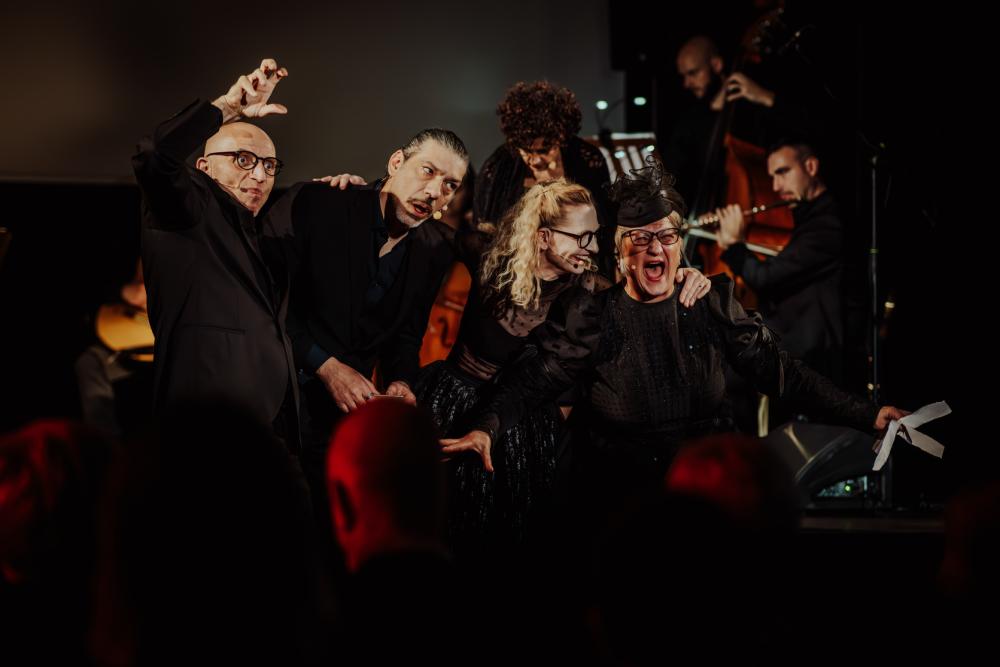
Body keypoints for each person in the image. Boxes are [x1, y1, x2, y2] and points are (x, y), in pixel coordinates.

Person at [445, 159, 905, 516]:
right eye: (640, 238)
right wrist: (485, 427)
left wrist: (868, 414)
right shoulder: (592, 315)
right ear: (620, 254)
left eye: (666, 236)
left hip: (703, 499)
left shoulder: (710, 303)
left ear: (679, 244)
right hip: (621, 502)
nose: (655, 247)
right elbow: (532, 382)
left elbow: (785, 376)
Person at [419, 179, 709, 553]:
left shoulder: (588, 292)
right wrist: (366, 195)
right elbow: (421, 232)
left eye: (594, 236)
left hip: (522, 424)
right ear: (543, 237)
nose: (592, 249)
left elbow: (643, 294)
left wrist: (686, 277)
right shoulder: (489, 254)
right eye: (580, 238)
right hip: (452, 405)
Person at [133, 58, 299, 447]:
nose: (259, 175)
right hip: (206, 433)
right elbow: (155, 154)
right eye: (243, 160)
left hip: (268, 435)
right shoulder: (189, 211)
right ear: (204, 167)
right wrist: (228, 106)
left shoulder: (259, 233)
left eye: (269, 165)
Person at [713, 138, 845, 385]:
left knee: (721, 377)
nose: (775, 186)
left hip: (812, 355)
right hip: (791, 344)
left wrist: (735, 245)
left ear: (811, 167)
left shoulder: (827, 225)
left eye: (783, 173)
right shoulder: (809, 219)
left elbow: (765, 278)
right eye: (772, 177)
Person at [475, 81, 615, 275]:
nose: (534, 160)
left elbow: (605, 222)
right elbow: (486, 228)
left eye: (544, 150)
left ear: (561, 138)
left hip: (579, 266)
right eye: (526, 150)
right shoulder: (500, 164)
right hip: (518, 268)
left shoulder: (586, 159)